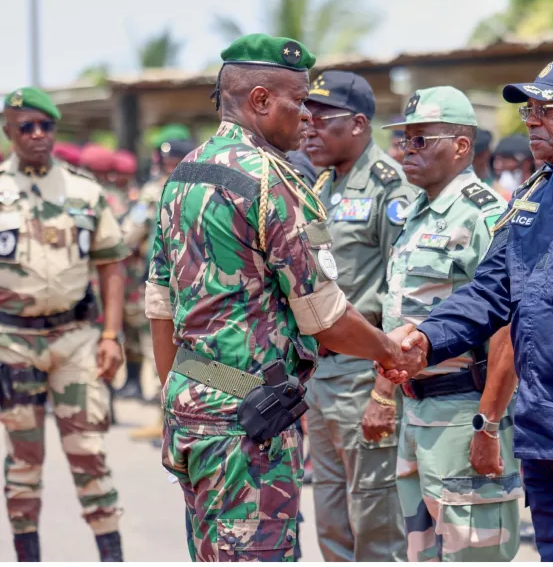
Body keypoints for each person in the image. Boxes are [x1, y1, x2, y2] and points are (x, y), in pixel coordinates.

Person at [145, 33, 423, 562]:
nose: (308, 119)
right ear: (261, 101)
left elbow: (160, 301)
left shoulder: (184, 176)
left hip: (193, 409)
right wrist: (388, 353)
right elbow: (322, 314)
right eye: (299, 103)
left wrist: (178, 394)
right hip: (249, 421)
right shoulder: (275, 182)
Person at [382, 56, 553, 561]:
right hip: (540, 433)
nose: (532, 120)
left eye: (547, 109)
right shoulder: (533, 194)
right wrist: (428, 338)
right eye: (529, 110)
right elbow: (491, 291)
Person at [382, 86, 521, 561]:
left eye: (421, 140)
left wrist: (488, 424)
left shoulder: (485, 214)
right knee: (423, 554)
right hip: (417, 412)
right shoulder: (418, 213)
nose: (407, 151)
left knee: (472, 554)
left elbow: (506, 327)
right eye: (405, 140)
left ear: (461, 146)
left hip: (464, 412)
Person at [0, 87, 127, 561]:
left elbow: (112, 266)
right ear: (9, 131)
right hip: (12, 341)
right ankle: (27, 555)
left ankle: (111, 554)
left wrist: (111, 336)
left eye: (45, 126)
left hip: (75, 339)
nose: (37, 134)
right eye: (25, 126)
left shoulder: (84, 191)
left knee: (89, 452)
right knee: (24, 459)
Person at [303, 69, 415, 562]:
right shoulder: (320, 185)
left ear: (359, 124)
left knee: (374, 518)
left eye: (322, 120)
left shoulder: (391, 189)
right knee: (329, 514)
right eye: (306, 117)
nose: (309, 128)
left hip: (362, 374)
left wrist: (383, 391)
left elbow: (401, 295)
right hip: (320, 373)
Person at [123, 135, 195, 431]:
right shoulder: (197, 188)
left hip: (166, 276)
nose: (167, 167)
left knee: (163, 343)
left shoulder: (155, 191)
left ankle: (169, 416)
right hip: (182, 277)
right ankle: (169, 414)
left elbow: (129, 234)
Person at [491, 133, 537, 200]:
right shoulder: (499, 186)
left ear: (527, 162)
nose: (496, 165)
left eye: (505, 160)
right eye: (496, 159)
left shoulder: (540, 186)